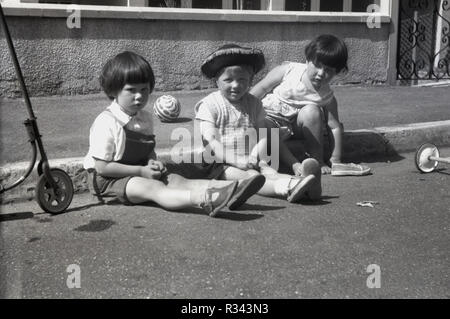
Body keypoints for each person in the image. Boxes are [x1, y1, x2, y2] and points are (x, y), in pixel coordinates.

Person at [83, 51, 261, 217]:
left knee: (177, 179)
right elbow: (102, 167)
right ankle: (205, 199)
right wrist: (140, 170)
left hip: (138, 171)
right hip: (107, 181)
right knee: (152, 187)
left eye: (144, 89)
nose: (139, 96)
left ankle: (231, 189)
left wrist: (152, 162)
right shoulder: (106, 122)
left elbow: (147, 151)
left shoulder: (144, 118)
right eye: (131, 90)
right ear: (114, 90)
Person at [195, 44, 322, 202]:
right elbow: (211, 142)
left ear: (250, 80)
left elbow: (263, 135)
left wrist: (254, 156)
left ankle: (305, 183)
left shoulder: (254, 103)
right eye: (228, 80)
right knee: (252, 177)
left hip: (251, 157)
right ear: (217, 81)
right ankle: (288, 188)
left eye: (242, 80)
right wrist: (236, 161)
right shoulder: (209, 104)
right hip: (219, 164)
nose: (236, 85)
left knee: (269, 172)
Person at [250, 34, 371, 176]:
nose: (321, 73)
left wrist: (335, 159)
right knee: (265, 125)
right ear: (307, 60)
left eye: (329, 70)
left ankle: (317, 160)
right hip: (270, 119)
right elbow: (261, 89)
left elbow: (334, 127)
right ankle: (294, 164)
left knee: (312, 111)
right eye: (318, 66)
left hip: (294, 127)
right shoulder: (288, 70)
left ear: (336, 72)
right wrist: (243, 111)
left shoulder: (327, 97)